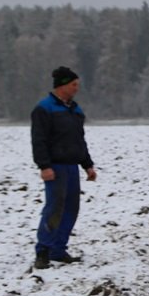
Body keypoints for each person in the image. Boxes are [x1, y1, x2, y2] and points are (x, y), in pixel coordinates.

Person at [31, 66, 97, 269]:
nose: (77, 88)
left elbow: (79, 140)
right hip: (55, 168)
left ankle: (59, 250)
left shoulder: (75, 110)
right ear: (62, 86)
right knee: (54, 209)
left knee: (71, 209)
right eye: (73, 85)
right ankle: (43, 251)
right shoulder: (44, 109)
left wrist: (87, 165)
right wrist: (44, 166)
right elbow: (39, 140)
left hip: (72, 168)